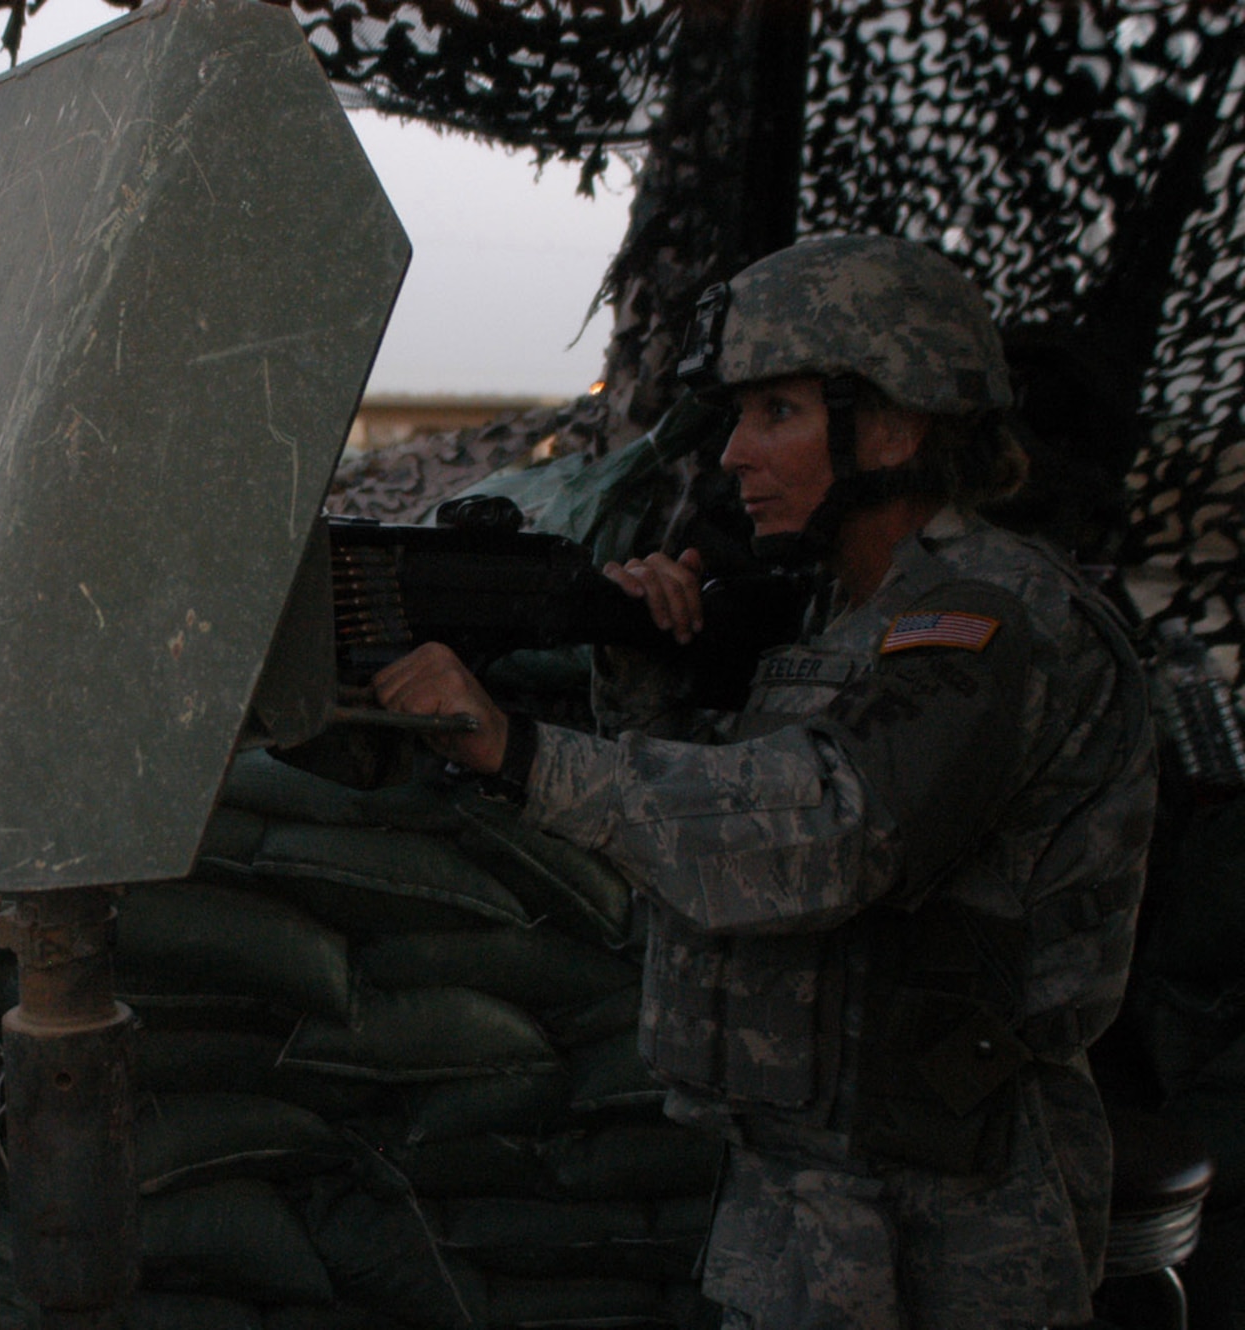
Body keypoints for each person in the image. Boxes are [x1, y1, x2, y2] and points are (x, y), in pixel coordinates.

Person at [373, 234, 1156, 1328]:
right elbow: (735, 808)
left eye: (775, 413)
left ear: (891, 424)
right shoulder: (832, 615)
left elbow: (826, 833)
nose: (734, 453)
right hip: (802, 1193)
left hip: (957, 1211)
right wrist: (643, 677)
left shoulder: (987, 621)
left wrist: (521, 753)